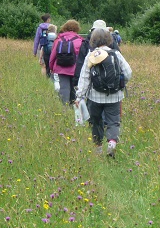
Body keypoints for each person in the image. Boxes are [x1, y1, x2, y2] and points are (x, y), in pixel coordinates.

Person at [75, 28, 132, 158]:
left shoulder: (91, 55)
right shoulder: (116, 54)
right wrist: (120, 84)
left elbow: (84, 78)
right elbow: (128, 73)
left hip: (94, 97)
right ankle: (111, 143)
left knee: (96, 122)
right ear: (109, 39)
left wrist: (79, 96)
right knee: (113, 122)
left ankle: (98, 148)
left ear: (93, 40)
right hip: (114, 96)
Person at [49, 20, 84, 104]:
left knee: (64, 88)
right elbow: (82, 56)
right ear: (77, 28)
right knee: (74, 88)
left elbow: (53, 55)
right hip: (75, 68)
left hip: (61, 67)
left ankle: (64, 107)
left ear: (65, 27)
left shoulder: (59, 39)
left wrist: (51, 67)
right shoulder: (80, 41)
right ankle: (73, 105)